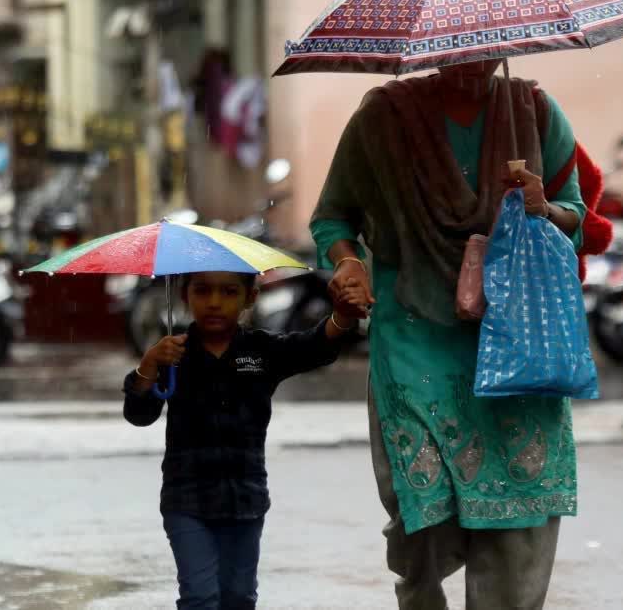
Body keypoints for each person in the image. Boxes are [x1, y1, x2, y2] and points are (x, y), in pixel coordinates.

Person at [312, 59, 588, 609]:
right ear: (441, 48)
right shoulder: (384, 119)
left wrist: (544, 208)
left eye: (488, 49)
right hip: (417, 337)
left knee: (520, 514)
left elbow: (577, 217)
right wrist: (346, 264)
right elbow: (332, 217)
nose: (474, 62)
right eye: (463, 51)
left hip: (516, 340)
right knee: (421, 512)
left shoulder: (534, 112)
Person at [123, 271, 367, 609]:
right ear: (184, 296)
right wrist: (149, 364)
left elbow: (313, 347)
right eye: (202, 290)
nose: (214, 302)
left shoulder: (261, 350)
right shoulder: (172, 355)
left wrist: (341, 316)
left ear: (250, 298)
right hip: (186, 501)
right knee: (200, 596)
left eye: (228, 291)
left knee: (239, 596)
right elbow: (139, 414)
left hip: (245, 500)